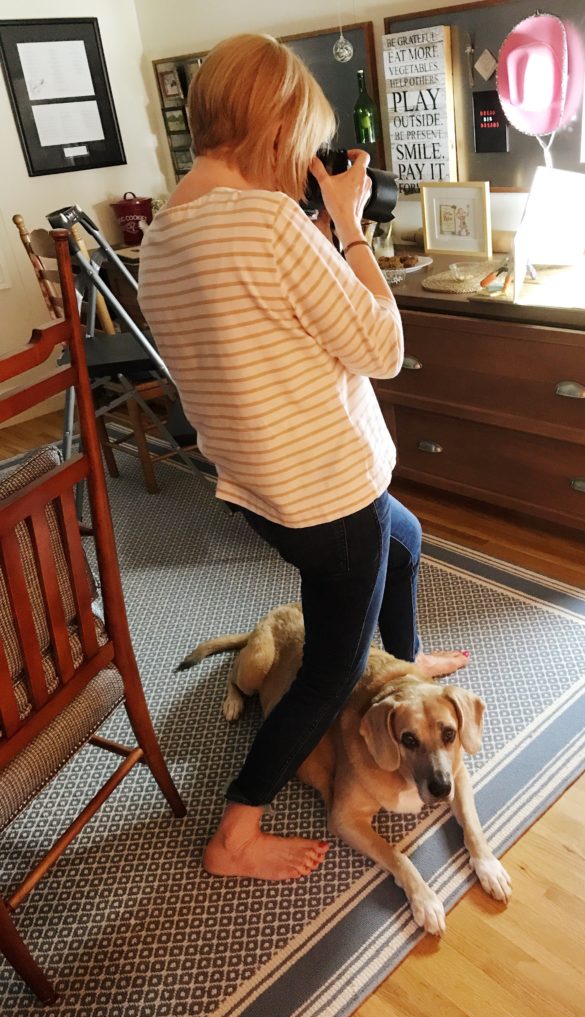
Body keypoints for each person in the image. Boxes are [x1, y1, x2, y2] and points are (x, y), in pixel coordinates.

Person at [138, 34, 468, 882]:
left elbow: (250, 342)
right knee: (326, 676)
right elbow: (382, 345)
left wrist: (319, 238)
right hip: (328, 497)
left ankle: (404, 666)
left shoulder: (160, 240)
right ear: (278, 123)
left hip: (261, 490)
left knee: (408, 535)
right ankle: (235, 832)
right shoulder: (271, 220)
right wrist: (350, 227)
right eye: (301, 135)